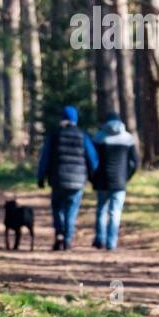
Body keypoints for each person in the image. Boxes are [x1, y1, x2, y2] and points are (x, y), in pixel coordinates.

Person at [36, 105, 97, 251]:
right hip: (77, 181)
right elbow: (92, 159)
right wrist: (93, 176)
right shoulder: (83, 136)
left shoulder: (55, 135)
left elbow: (45, 158)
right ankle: (68, 239)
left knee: (57, 208)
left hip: (58, 180)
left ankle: (59, 235)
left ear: (62, 119)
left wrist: (41, 177)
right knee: (71, 210)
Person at [92, 112, 139, 250]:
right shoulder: (128, 139)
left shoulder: (99, 137)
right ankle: (111, 243)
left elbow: (93, 160)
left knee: (101, 210)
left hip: (102, 181)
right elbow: (135, 163)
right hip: (119, 181)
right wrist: (126, 176)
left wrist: (93, 177)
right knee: (115, 212)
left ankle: (100, 239)